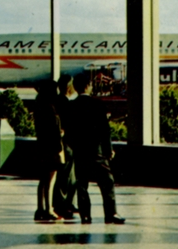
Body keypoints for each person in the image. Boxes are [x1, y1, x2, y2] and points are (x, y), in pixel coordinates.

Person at [68, 73, 125, 225]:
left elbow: (69, 131)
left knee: (82, 185)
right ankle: (111, 213)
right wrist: (108, 149)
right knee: (107, 182)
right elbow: (104, 130)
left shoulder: (72, 106)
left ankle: (85, 215)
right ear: (88, 86)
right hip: (96, 151)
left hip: (80, 152)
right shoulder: (98, 105)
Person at [33, 80, 64, 222]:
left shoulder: (39, 107)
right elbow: (56, 133)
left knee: (43, 180)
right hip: (52, 148)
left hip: (41, 146)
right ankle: (49, 209)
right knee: (51, 180)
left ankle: (40, 208)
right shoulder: (51, 109)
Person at [53, 74, 78, 218]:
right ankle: (64, 204)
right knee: (66, 176)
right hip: (67, 144)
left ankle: (66, 202)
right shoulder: (65, 103)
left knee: (68, 175)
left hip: (65, 144)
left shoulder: (57, 101)